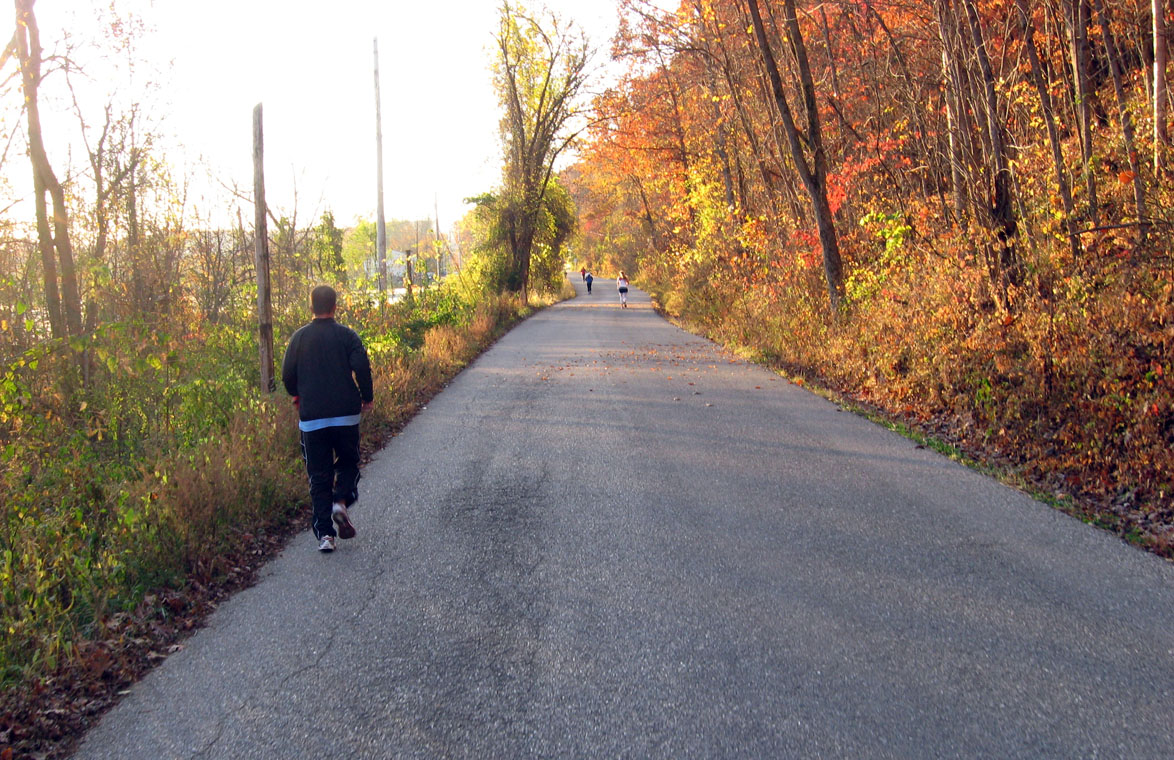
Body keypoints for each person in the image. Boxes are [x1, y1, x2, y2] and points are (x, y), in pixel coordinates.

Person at [281, 285, 374, 553]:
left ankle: (325, 535)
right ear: (335, 307)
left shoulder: (298, 338)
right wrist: (366, 397)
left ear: (311, 307)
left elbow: (287, 375)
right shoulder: (347, 335)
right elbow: (362, 366)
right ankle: (340, 502)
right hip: (345, 414)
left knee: (319, 475)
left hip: (312, 418)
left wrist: (297, 395)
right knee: (348, 463)